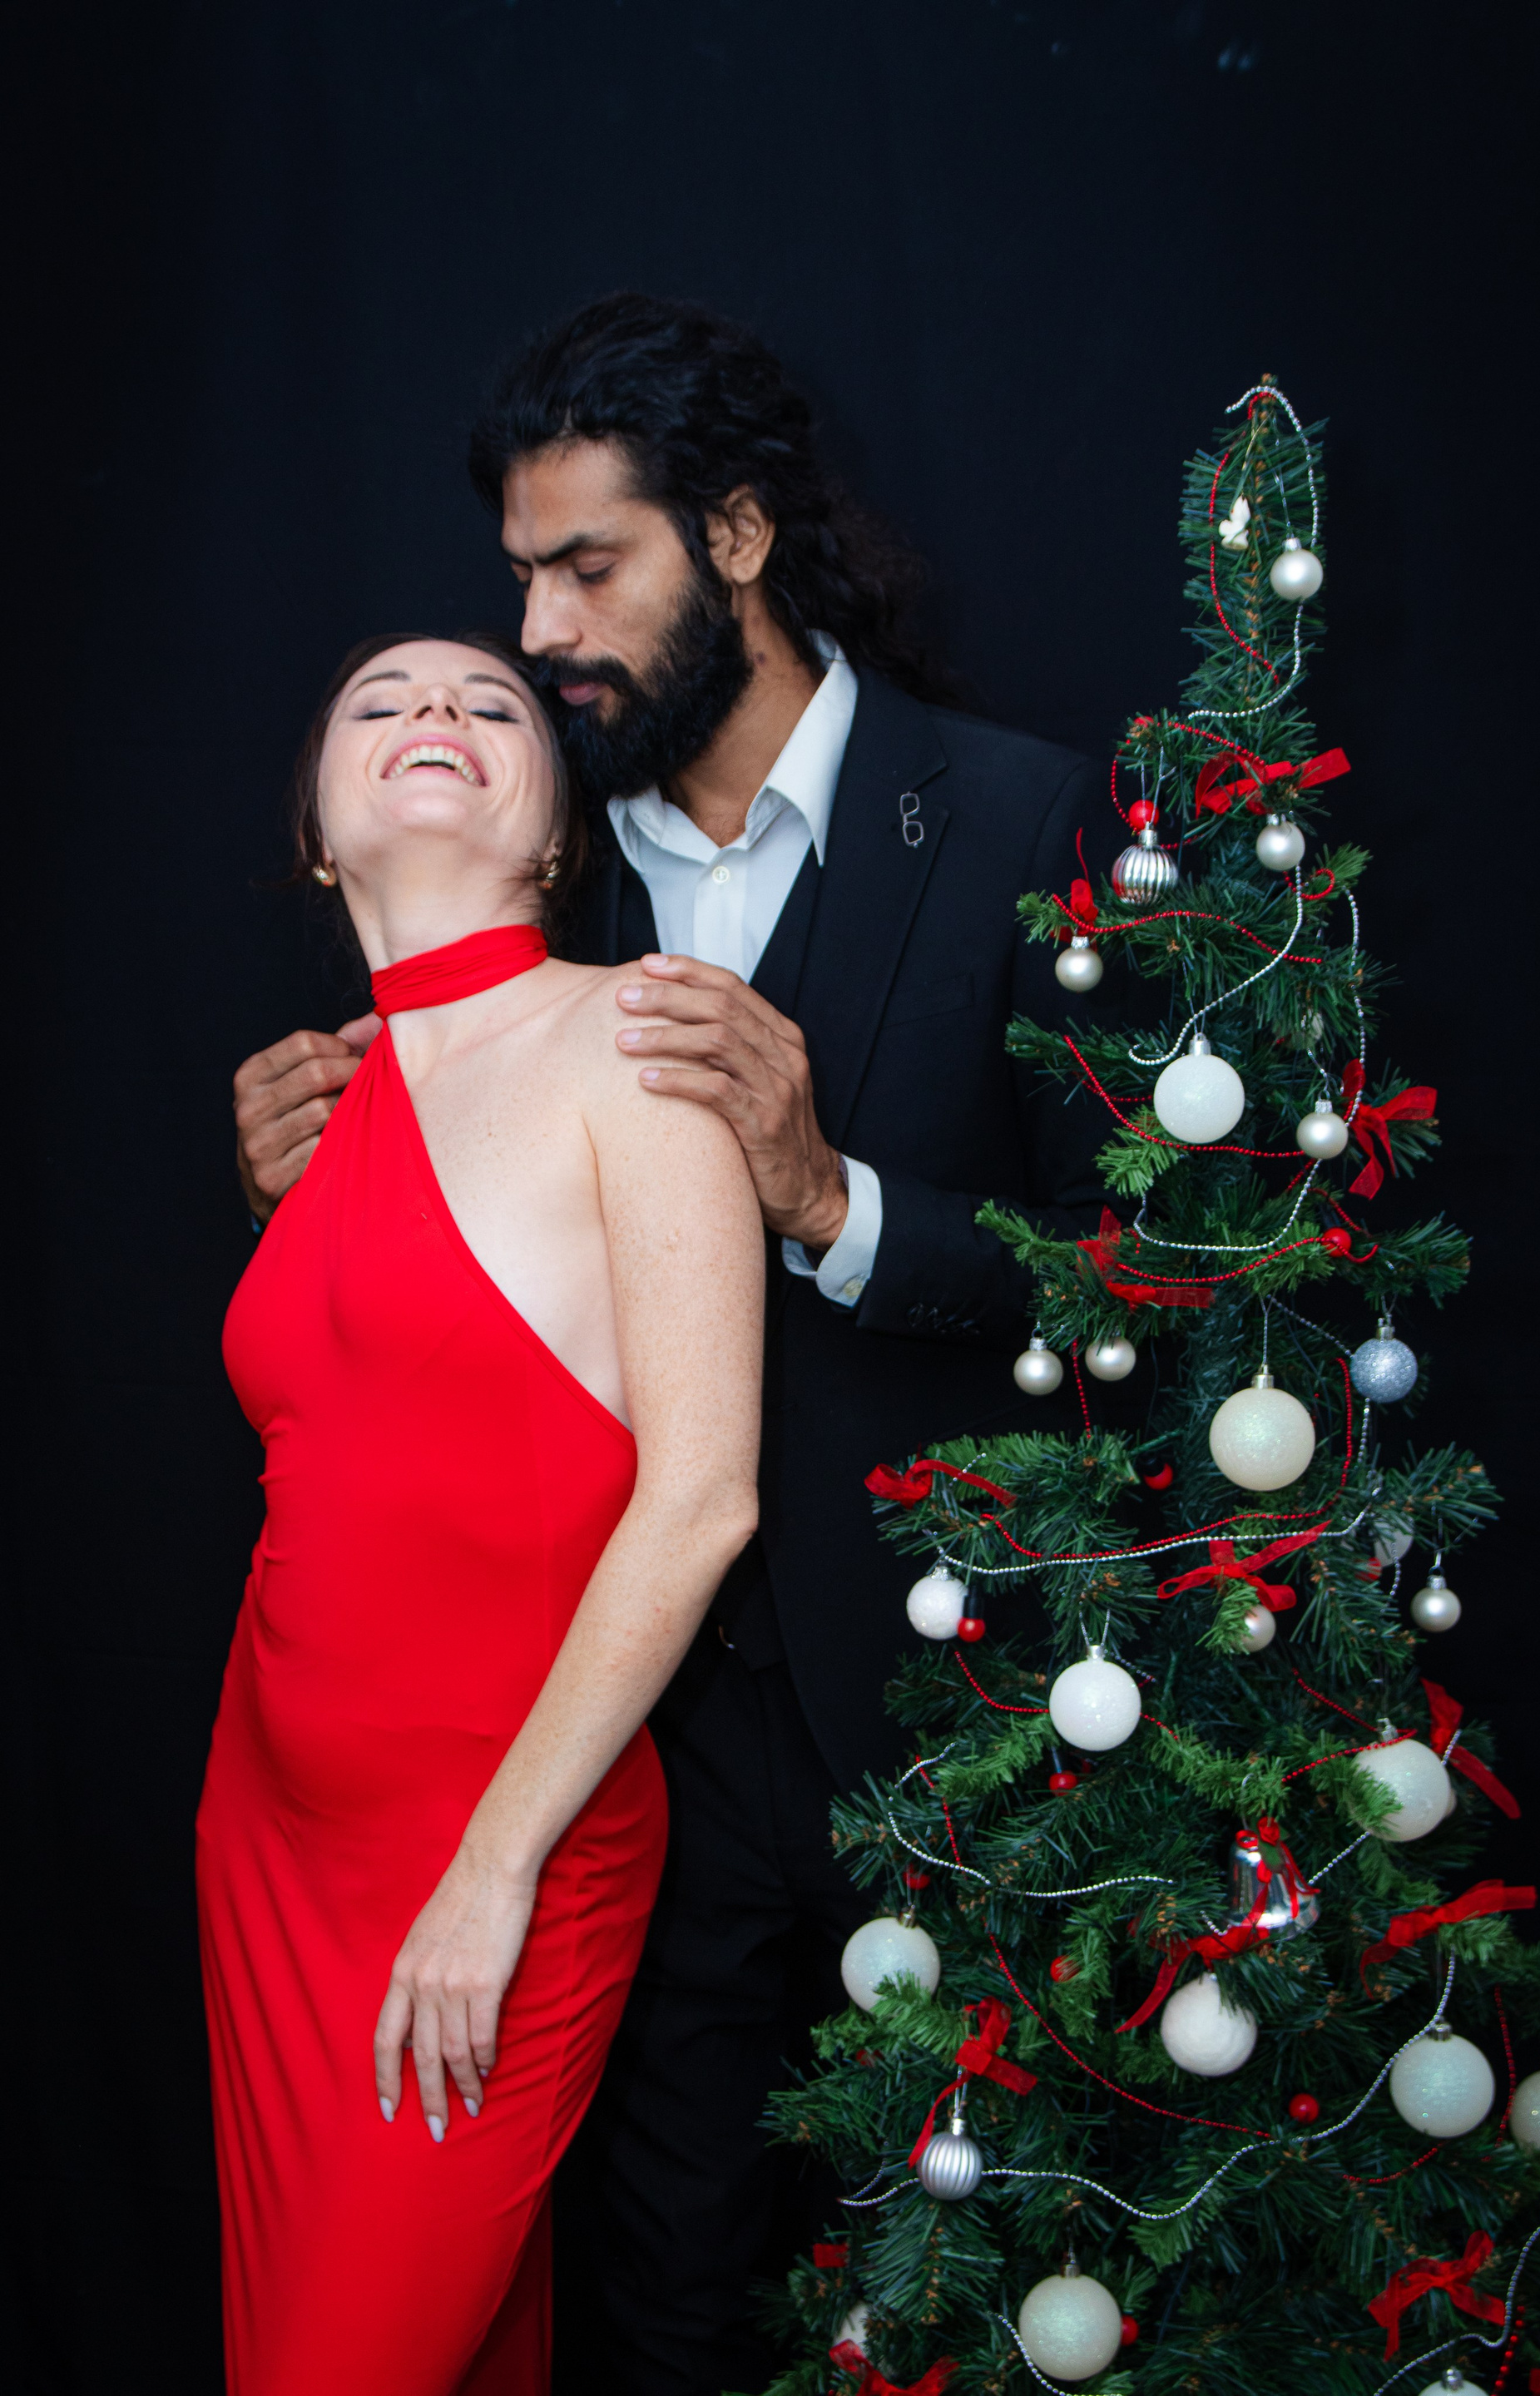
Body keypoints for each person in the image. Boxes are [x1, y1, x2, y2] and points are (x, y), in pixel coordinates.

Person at [233, 296, 1109, 2395]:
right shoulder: (534, 889)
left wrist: (833, 1200)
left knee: (999, 2295)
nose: (539, 632)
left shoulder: (1022, 821)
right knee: (657, 2301)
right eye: (520, 575)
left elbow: (1142, 1282)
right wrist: (326, 1164)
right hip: (621, 1750)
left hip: (951, 1726)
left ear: (734, 535)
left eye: (588, 567)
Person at [201, 629, 763, 2396]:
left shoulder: (634, 1039)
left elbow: (701, 1501)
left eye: (489, 702)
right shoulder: (326, 1110)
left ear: (555, 833)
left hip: (500, 1853)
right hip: (270, 1846)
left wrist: (491, 1872)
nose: (434, 712)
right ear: (319, 834)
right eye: (380, 702)